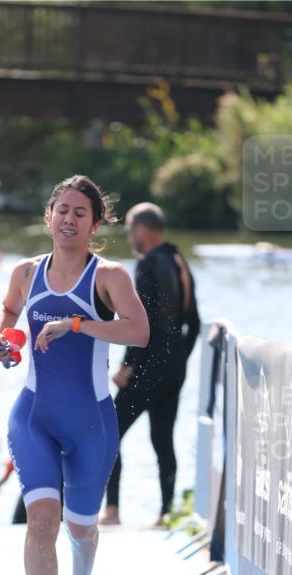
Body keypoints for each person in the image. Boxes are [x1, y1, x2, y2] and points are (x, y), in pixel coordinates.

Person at [0, 175, 149, 575]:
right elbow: (6, 319)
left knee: (81, 528)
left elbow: (139, 333)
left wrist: (75, 324)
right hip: (33, 414)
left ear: (95, 223)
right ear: (48, 216)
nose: (69, 219)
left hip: (91, 423)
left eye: (81, 213)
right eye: (62, 210)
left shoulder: (109, 277)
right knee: (41, 519)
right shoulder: (24, 272)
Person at [100, 202, 200, 527]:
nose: (130, 236)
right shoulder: (178, 260)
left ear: (144, 229)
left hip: (147, 367)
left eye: (130, 229)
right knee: (163, 441)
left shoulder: (147, 264)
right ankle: (166, 513)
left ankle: (112, 511)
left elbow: (141, 323)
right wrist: (178, 360)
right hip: (174, 368)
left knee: (108, 433)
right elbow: (194, 323)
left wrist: (128, 365)